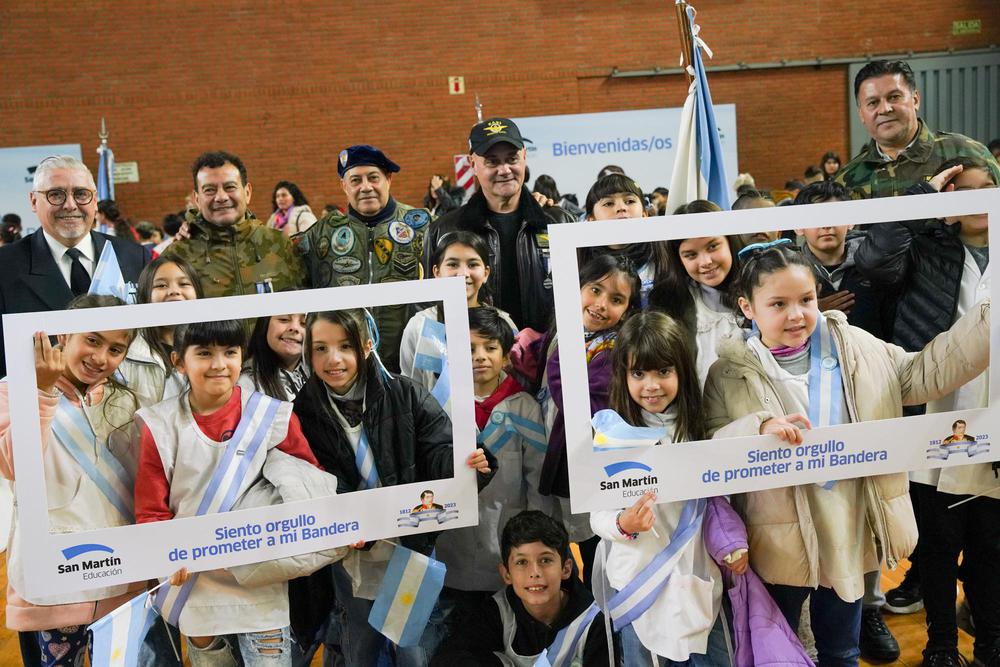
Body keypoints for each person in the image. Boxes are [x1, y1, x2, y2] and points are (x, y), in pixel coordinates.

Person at [703, 242, 990, 667]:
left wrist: (988, 317)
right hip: (776, 528)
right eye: (778, 304)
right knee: (776, 647)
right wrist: (757, 429)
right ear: (748, 307)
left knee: (842, 649)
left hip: (848, 521)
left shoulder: (855, 346)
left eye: (806, 299)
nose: (797, 314)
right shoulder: (728, 371)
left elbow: (920, 374)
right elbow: (711, 442)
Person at [855, 158, 999, 667]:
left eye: (988, 188)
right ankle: (940, 643)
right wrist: (922, 198)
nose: (977, 198)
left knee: (990, 544)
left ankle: (990, 643)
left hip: (995, 411)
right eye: (964, 191)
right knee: (936, 544)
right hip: (933, 403)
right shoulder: (927, 249)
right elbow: (873, 263)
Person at [291, 309, 492, 666]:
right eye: (320, 348)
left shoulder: (405, 393)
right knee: (362, 647)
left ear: (366, 346)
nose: (333, 359)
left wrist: (470, 464)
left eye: (345, 346)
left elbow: (439, 450)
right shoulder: (303, 412)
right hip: (352, 554)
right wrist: (345, 520)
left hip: (409, 546)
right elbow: (308, 480)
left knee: (413, 649)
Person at [134, 318, 322, 665]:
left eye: (230, 352)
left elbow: (312, 484)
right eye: (204, 353)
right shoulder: (158, 425)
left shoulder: (272, 415)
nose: (219, 364)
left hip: (261, 578)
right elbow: (151, 511)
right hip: (193, 583)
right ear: (179, 360)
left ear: (242, 355)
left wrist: (340, 525)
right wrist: (165, 553)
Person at [592, 311, 744, 665]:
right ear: (623, 376)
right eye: (638, 373)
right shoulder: (607, 436)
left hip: (697, 573)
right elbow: (596, 517)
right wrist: (623, 525)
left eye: (663, 371)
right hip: (637, 580)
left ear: (682, 372)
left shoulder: (697, 429)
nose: (651, 385)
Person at [0, 294, 144, 667]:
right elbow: (13, 466)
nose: (101, 357)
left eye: (116, 349)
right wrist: (42, 392)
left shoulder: (125, 401)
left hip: (120, 576)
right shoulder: (12, 387)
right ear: (62, 337)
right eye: (92, 340)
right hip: (57, 581)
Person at [434, 307, 552, 644]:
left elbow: (537, 476)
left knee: (507, 626)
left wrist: (536, 535)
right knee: (460, 629)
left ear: (505, 355)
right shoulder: (441, 406)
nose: (479, 357)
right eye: (469, 349)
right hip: (453, 539)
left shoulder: (522, 405)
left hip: (507, 533)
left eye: (490, 348)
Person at [537, 254, 640, 585]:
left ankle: (597, 607)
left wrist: (557, 365)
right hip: (562, 447)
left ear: (627, 309)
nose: (600, 304)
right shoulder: (569, 332)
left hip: (593, 461)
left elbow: (578, 400)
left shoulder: (616, 350)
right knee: (567, 534)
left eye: (616, 299)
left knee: (594, 541)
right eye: (594, 290)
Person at [0, 155, 150, 378]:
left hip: (127, 402)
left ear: (95, 200)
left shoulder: (133, 256)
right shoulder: (5, 266)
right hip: (40, 405)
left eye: (81, 194)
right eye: (56, 195)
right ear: (33, 201)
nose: (70, 205)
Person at [424, 117, 575, 332]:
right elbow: (430, 307)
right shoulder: (443, 231)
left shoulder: (558, 222)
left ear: (524, 157)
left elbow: (581, 292)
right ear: (472, 164)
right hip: (478, 359)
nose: (504, 170)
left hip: (549, 357)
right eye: (492, 162)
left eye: (512, 159)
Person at [296, 145, 430, 374]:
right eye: (356, 180)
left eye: (373, 178)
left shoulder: (423, 228)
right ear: (344, 186)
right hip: (342, 367)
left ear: (388, 179)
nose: (365, 187)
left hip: (411, 362)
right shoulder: (320, 236)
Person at [431, 510, 615, 665]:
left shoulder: (595, 622)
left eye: (545, 560)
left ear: (566, 569)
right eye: (522, 562)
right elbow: (449, 658)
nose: (534, 572)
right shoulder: (497, 612)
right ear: (506, 574)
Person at [836, 60, 1000, 199]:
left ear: (915, 99)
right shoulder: (846, 181)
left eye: (894, 97)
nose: (885, 109)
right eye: (873, 102)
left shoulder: (966, 153)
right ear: (861, 114)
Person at [164, 151, 305, 298]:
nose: (221, 197)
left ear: (247, 192)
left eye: (230, 187)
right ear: (197, 199)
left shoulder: (281, 246)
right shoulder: (176, 257)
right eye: (209, 190)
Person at [399, 231, 515, 392]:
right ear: (437, 272)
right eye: (453, 264)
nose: (463, 274)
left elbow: (513, 381)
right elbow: (410, 386)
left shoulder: (504, 322)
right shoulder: (419, 326)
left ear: (486, 273)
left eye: (473, 264)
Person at [647, 201, 742, 388]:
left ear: (730, 241)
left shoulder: (759, 289)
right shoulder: (669, 304)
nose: (705, 261)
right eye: (690, 255)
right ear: (678, 259)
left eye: (713, 246)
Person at [792, 180, 889, 339]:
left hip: (872, 358)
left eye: (834, 216)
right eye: (815, 218)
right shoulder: (790, 271)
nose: (826, 225)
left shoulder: (874, 262)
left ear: (851, 221)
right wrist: (809, 310)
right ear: (799, 227)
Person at [119, 256, 204, 407]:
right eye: (161, 286)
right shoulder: (127, 354)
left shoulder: (214, 346)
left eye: (184, 283)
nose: (174, 291)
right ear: (145, 296)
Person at [579, 173, 669, 308]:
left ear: (645, 215)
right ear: (591, 219)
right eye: (609, 203)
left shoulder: (664, 255)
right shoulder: (579, 260)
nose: (621, 208)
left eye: (630, 201)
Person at [239, 314, 309, 401]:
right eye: (284, 319)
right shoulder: (247, 384)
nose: (294, 327)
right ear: (265, 324)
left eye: (304, 323)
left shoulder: (318, 371)